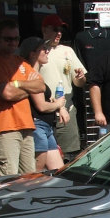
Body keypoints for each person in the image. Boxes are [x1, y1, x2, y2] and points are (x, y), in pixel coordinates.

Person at [0, 19, 44, 176]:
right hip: (4, 128)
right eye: (8, 39)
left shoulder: (20, 61)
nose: (13, 43)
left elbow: (41, 86)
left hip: (26, 126)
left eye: (16, 39)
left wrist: (16, 83)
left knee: (29, 179)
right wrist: (27, 86)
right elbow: (6, 93)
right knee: (7, 182)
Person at [39, 14, 87, 161]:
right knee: (43, 155)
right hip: (43, 109)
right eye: (55, 29)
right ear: (44, 30)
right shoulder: (38, 51)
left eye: (61, 30)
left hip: (67, 108)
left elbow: (80, 82)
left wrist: (80, 78)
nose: (59, 33)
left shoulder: (68, 51)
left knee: (68, 156)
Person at [19, 37, 70, 172]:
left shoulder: (36, 75)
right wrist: (59, 104)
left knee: (59, 171)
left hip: (46, 127)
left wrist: (59, 106)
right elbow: (41, 105)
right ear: (32, 53)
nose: (47, 52)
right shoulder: (31, 75)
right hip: (38, 126)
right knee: (36, 172)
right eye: (44, 49)